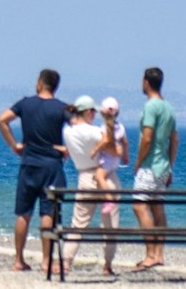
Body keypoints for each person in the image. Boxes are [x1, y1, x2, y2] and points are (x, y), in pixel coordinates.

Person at [0, 68, 70, 273]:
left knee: (23, 213)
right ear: (55, 86)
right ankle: (46, 261)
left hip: (29, 164)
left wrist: (14, 145)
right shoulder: (62, 108)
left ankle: (19, 260)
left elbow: (2, 120)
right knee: (48, 213)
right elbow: (80, 128)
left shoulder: (25, 103)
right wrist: (68, 149)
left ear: (39, 83)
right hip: (52, 166)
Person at [61, 95, 120, 276]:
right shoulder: (92, 131)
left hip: (84, 176)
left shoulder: (67, 131)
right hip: (105, 175)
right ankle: (107, 265)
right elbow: (112, 148)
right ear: (88, 112)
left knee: (78, 223)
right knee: (110, 225)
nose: (94, 114)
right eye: (93, 111)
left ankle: (66, 262)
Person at [131, 67, 179, 272]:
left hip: (149, 166)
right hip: (163, 167)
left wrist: (138, 161)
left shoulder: (151, 107)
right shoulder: (169, 108)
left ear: (146, 82)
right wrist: (170, 166)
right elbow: (174, 140)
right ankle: (159, 254)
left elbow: (147, 137)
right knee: (158, 209)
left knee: (139, 206)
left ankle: (151, 254)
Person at [93, 96, 128, 215]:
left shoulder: (104, 128)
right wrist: (126, 156)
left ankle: (108, 199)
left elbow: (105, 141)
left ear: (102, 114)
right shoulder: (121, 127)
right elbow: (125, 143)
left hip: (107, 160)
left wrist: (95, 150)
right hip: (115, 161)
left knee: (99, 176)